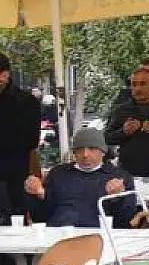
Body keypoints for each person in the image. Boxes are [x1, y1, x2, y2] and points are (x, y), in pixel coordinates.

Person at [24, 128, 138, 228]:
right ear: (74, 153)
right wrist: (38, 195)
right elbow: (39, 217)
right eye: (79, 149)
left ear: (103, 152)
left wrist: (117, 198)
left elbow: (126, 221)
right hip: (58, 235)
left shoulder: (120, 177)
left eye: (92, 149)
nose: (85, 154)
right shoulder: (58, 173)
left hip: (99, 237)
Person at [0, 52, 41, 219]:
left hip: (15, 171)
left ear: (5, 74)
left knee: (16, 216)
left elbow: (32, 140)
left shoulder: (26, 101)